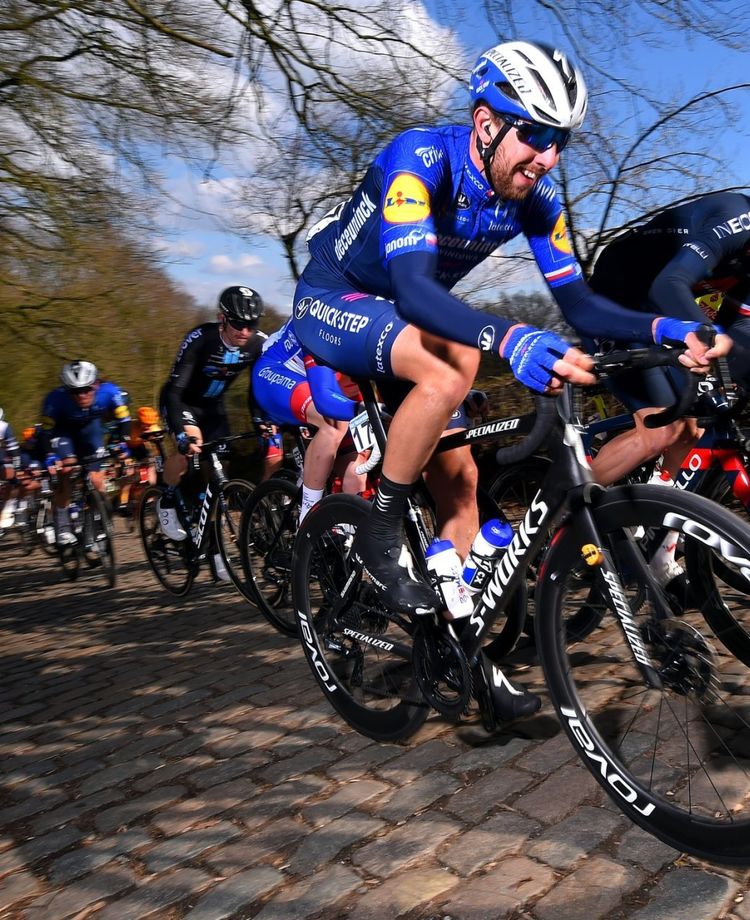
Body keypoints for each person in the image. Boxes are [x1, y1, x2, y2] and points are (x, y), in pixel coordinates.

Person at [290, 39, 719, 725]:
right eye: (536, 135)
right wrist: (510, 337)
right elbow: (412, 291)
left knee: (464, 503)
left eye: (561, 141)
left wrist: (668, 332)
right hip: (333, 303)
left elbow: (579, 305)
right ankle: (379, 525)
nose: (548, 158)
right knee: (455, 359)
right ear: (486, 122)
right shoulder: (418, 160)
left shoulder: (536, 200)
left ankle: (462, 661)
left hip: (405, 328)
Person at [585, 192, 744, 486]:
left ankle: (658, 522)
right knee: (659, 432)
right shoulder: (739, 221)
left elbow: (738, 326)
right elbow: (667, 286)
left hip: (660, 316)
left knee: (692, 432)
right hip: (615, 301)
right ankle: (561, 517)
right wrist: (713, 341)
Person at [157, 286, 268, 550]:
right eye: (238, 324)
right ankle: (167, 499)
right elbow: (175, 391)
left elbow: (257, 390)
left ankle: (213, 540)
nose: (245, 332)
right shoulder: (201, 338)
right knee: (189, 451)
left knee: (218, 474)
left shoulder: (257, 344)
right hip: (182, 401)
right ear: (222, 318)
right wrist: (182, 436)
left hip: (214, 408)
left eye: (251, 325)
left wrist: (259, 420)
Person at [252, 317, 366, 522]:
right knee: (334, 424)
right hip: (278, 373)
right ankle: (308, 517)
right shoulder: (323, 319)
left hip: (323, 380)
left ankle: (348, 533)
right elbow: (326, 398)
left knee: (357, 468)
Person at [41, 361, 132, 545]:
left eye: (87, 389)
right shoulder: (55, 399)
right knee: (67, 470)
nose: (82, 395)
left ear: (96, 384)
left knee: (98, 481)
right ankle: (63, 525)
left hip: (91, 432)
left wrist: (122, 443)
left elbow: (125, 421)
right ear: (67, 390)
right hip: (64, 433)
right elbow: (45, 433)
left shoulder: (110, 393)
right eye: (76, 391)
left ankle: (93, 527)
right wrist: (50, 456)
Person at [0, 409, 22, 533]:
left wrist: (16, 467)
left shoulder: (4, 427)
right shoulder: (4, 426)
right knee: (13, 478)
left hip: (3, 461)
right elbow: (14, 450)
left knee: (13, 478)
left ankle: (8, 507)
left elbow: (13, 449)